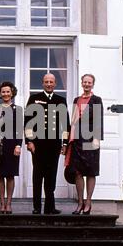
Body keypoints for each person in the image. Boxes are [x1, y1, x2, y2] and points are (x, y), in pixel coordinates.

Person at [25, 73, 70, 214]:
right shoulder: (34, 98)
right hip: (38, 144)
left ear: (55, 83)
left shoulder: (60, 100)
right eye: (46, 82)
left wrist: (64, 143)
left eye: (51, 82)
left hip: (54, 144)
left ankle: (50, 207)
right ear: (42, 83)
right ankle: (37, 207)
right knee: (38, 175)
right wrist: (29, 141)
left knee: (51, 175)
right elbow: (27, 122)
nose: (49, 84)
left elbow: (65, 124)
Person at [65, 74, 103, 215]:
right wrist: (68, 140)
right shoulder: (77, 100)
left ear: (92, 84)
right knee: (78, 172)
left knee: (90, 171)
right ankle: (80, 202)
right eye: (85, 82)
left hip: (91, 139)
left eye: (89, 82)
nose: (87, 84)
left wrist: (97, 139)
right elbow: (73, 121)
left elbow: (98, 120)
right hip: (77, 140)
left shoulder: (96, 100)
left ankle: (88, 201)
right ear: (82, 83)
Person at [0, 82, 23, 214]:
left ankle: (9, 203)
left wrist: (19, 145)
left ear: (12, 93)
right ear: (0, 94)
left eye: (8, 91)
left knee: (10, 175)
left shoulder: (17, 109)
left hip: (12, 145)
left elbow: (19, 129)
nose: (6, 94)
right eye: (3, 92)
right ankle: (1, 203)